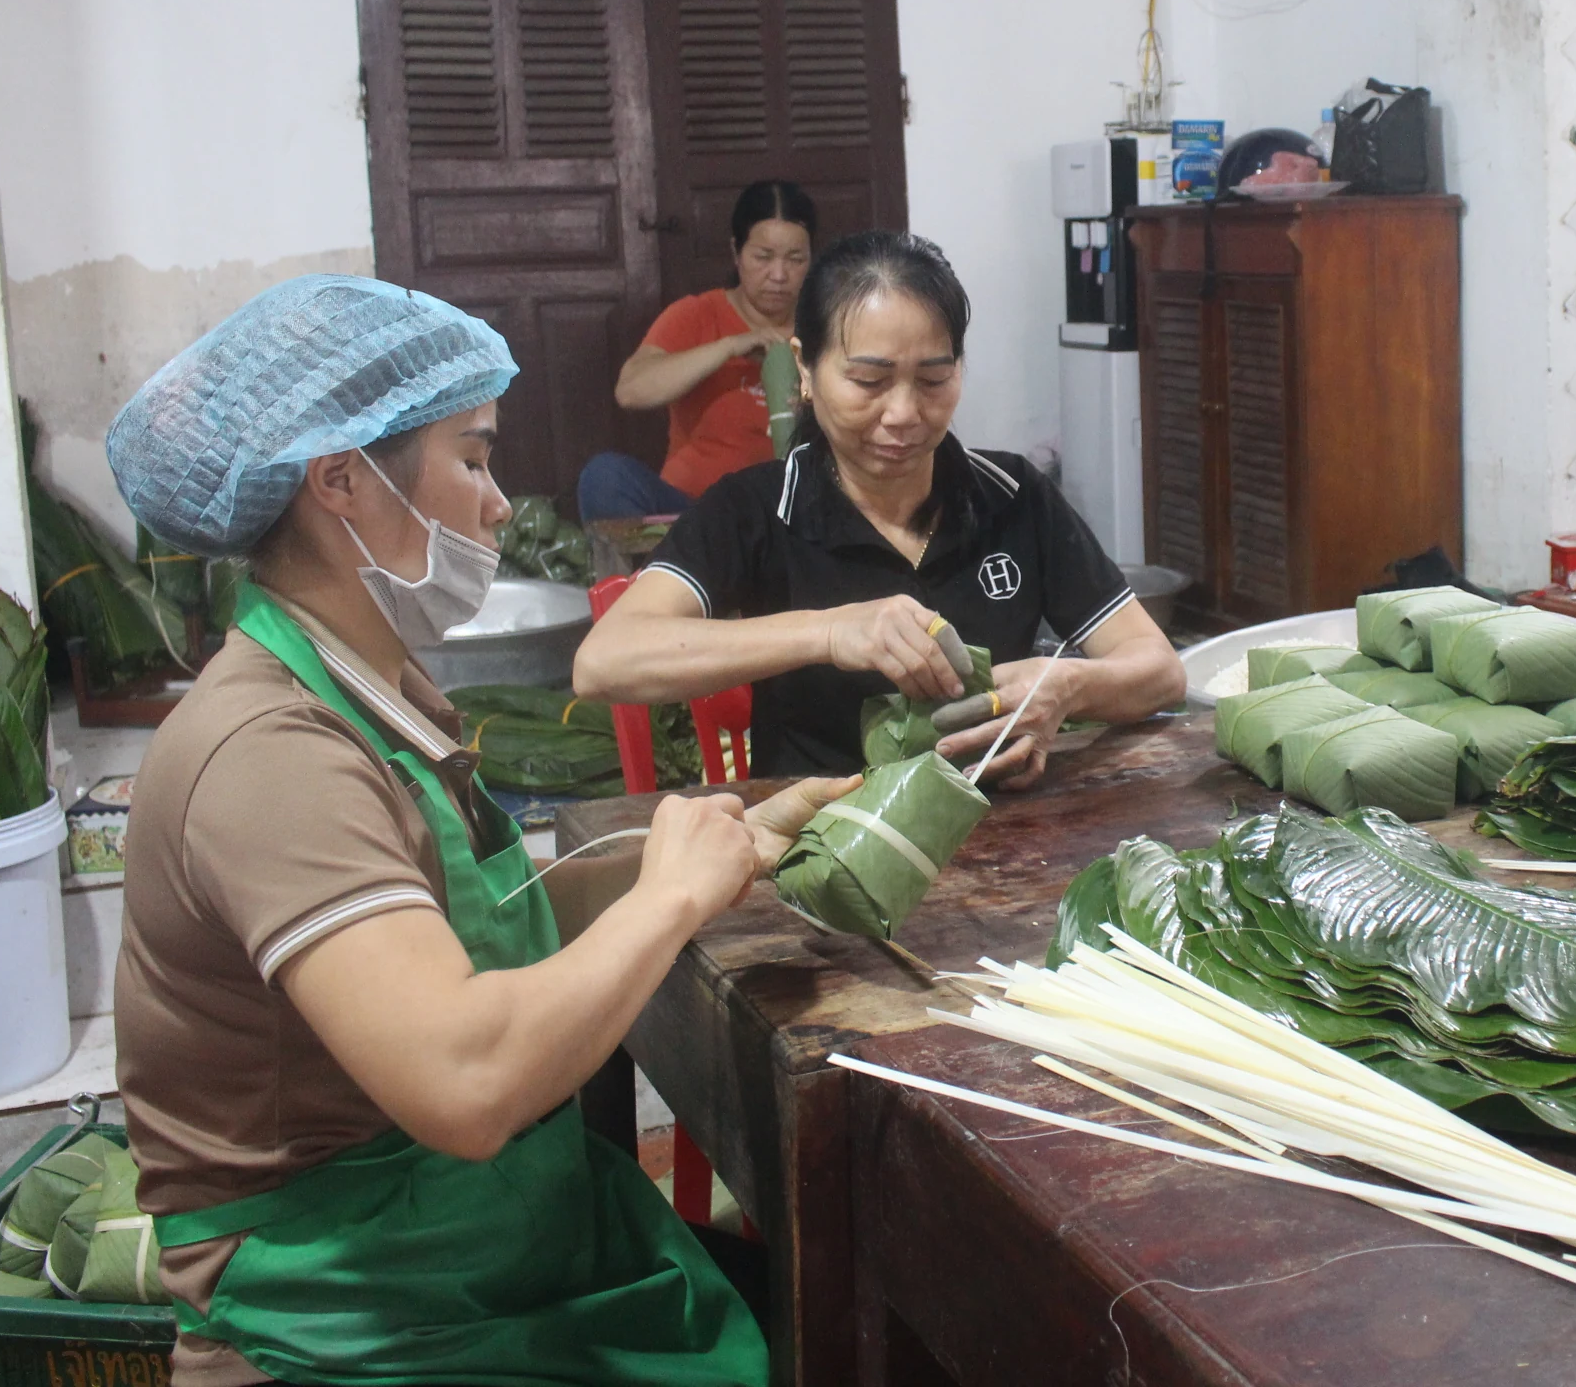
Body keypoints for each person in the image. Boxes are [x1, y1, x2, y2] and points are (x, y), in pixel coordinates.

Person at [105, 275, 857, 1386]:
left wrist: (719, 839)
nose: (502, 502)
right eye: (472, 458)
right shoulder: (270, 752)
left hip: (459, 1242)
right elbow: (462, 1081)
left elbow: (470, 930)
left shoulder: (369, 690)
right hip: (344, 1310)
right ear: (342, 481)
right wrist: (670, 899)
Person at [576, 229, 1187, 788]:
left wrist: (1069, 687)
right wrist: (831, 630)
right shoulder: (757, 508)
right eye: (868, 382)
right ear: (806, 372)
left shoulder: (1011, 495)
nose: (903, 413)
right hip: (821, 847)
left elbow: (1160, 670)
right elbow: (605, 662)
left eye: (932, 380)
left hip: (1003, 837)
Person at [578, 180, 817, 521]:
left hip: (781, 513)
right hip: (691, 512)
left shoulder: (826, 327)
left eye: (795, 259)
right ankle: (665, 571)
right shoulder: (697, 315)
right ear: (736, 253)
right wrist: (729, 346)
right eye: (763, 257)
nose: (779, 275)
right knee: (606, 477)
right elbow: (631, 391)